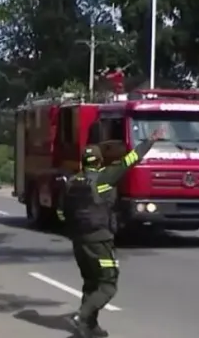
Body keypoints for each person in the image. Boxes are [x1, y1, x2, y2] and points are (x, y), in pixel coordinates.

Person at [61, 126, 164, 337]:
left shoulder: (72, 183)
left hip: (79, 241)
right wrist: (150, 140)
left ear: (83, 162)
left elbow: (62, 213)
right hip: (100, 240)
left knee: (91, 282)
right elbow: (131, 159)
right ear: (99, 162)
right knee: (108, 283)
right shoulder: (105, 178)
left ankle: (89, 327)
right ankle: (83, 316)